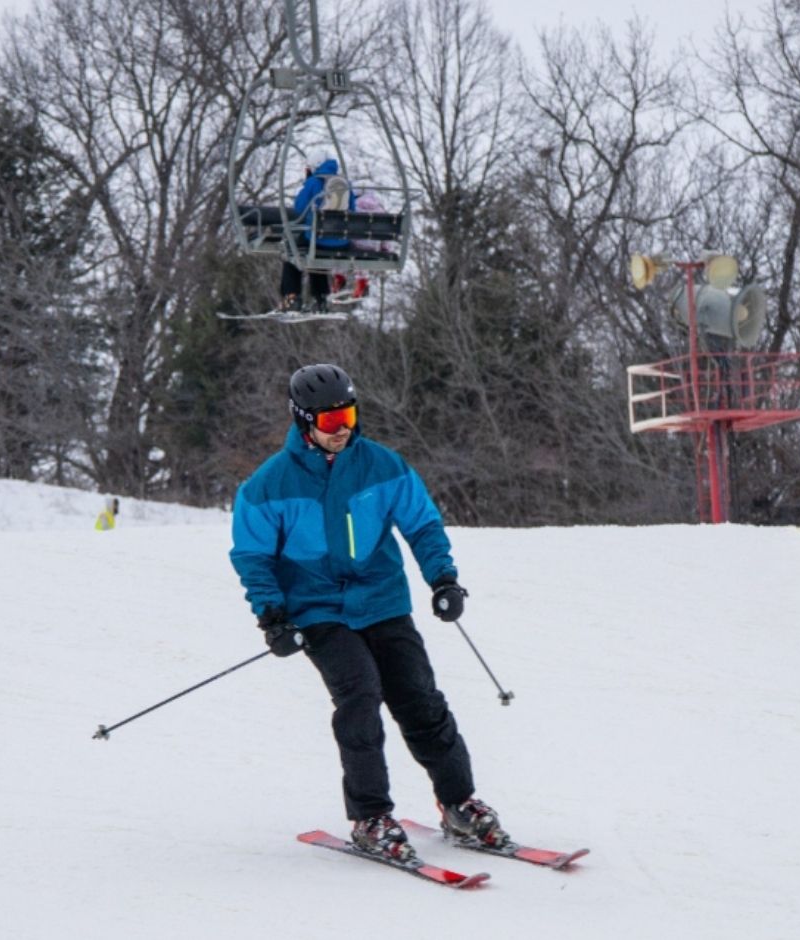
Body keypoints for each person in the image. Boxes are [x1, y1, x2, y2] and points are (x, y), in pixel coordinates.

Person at [229, 363, 509, 861]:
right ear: (303, 421)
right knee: (359, 695)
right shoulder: (269, 485)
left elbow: (422, 525)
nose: (343, 430)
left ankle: (459, 803)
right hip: (318, 609)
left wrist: (443, 579)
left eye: (349, 416)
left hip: (382, 599)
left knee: (419, 698)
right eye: (330, 421)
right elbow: (253, 555)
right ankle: (371, 817)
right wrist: (273, 616)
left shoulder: (383, 466)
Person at [280, 149, 356, 313]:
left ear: (314, 166)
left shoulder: (314, 182)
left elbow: (299, 208)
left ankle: (292, 297)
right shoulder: (345, 184)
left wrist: (308, 184)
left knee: (292, 249)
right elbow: (353, 211)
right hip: (342, 242)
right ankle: (320, 300)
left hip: (318, 239)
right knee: (319, 250)